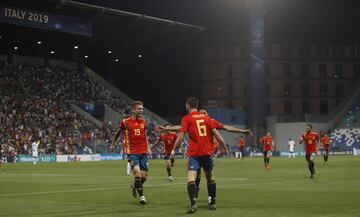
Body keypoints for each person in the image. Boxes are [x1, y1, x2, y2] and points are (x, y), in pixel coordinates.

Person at [170, 97, 228, 213]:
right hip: (207, 153)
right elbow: (216, 134)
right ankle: (213, 202)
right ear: (196, 105)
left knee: (191, 178)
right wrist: (224, 147)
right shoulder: (206, 118)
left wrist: (173, 150)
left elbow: (181, 136)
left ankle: (193, 204)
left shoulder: (186, 118)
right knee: (210, 178)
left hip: (194, 154)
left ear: (187, 105)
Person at [110, 101, 152, 205]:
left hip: (143, 152)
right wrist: (113, 144)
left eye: (142, 109)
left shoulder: (144, 122)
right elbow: (118, 133)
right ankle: (142, 197)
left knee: (144, 176)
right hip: (132, 152)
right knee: (137, 173)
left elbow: (145, 135)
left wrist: (148, 147)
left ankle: (135, 185)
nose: (141, 111)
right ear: (133, 110)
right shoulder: (125, 122)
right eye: (139, 109)